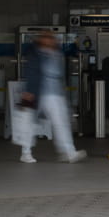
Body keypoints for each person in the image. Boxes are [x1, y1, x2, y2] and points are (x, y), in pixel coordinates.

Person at [17, 30, 86, 164]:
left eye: (52, 38)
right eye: (47, 38)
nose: (51, 40)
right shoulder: (35, 53)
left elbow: (61, 75)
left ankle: (69, 152)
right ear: (42, 40)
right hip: (38, 92)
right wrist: (29, 91)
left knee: (61, 123)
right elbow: (30, 72)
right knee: (30, 124)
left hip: (55, 93)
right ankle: (25, 152)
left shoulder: (56, 53)